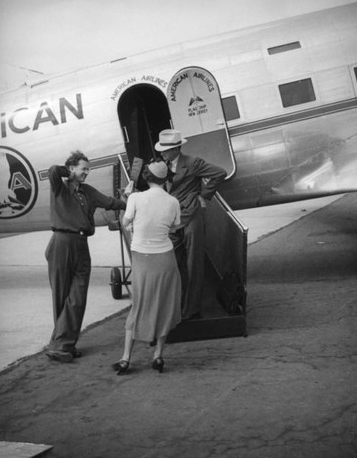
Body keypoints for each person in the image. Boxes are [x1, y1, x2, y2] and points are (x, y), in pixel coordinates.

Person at [45, 150, 126, 363]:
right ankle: (65, 346)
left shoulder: (88, 191)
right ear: (72, 169)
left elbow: (110, 202)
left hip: (81, 244)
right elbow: (53, 171)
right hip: (61, 242)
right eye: (84, 168)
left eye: (88, 169)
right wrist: (68, 173)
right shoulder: (59, 188)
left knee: (78, 296)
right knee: (61, 297)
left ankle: (61, 344)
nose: (87, 173)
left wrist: (131, 201)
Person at [112, 159, 182, 375]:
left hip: (142, 259)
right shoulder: (173, 201)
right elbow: (175, 227)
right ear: (165, 180)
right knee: (164, 305)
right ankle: (158, 356)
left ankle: (125, 359)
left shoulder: (135, 197)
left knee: (139, 305)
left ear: (147, 178)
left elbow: (124, 223)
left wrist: (126, 196)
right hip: (166, 259)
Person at [154, 129, 227, 320]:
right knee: (174, 261)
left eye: (166, 149)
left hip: (191, 216)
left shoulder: (193, 163)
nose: (162, 153)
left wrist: (204, 195)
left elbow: (220, 173)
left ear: (177, 148)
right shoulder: (164, 165)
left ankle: (192, 309)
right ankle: (178, 305)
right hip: (172, 219)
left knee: (193, 262)